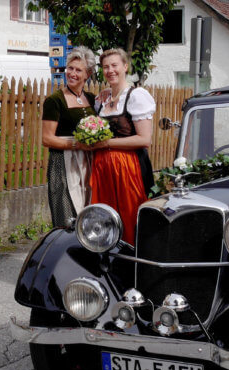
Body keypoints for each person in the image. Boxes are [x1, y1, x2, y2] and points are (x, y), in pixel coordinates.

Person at [88, 48, 156, 245]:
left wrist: (106, 143)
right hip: (103, 169)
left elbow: (144, 140)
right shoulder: (103, 100)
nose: (110, 70)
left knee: (130, 215)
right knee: (105, 218)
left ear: (125, 66)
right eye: (106, 67)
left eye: (114, 65)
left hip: (129, 169)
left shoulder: (136, 96)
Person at [42, 46, 97, 227]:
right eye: (70, 68)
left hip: (88, 161)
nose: (72, 73)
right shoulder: (54, 101)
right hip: (63, 163)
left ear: (87, 74)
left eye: (78, 70)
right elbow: (47, 139)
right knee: (67, 216)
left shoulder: (91, 98)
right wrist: (77, 145)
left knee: (89, 212)